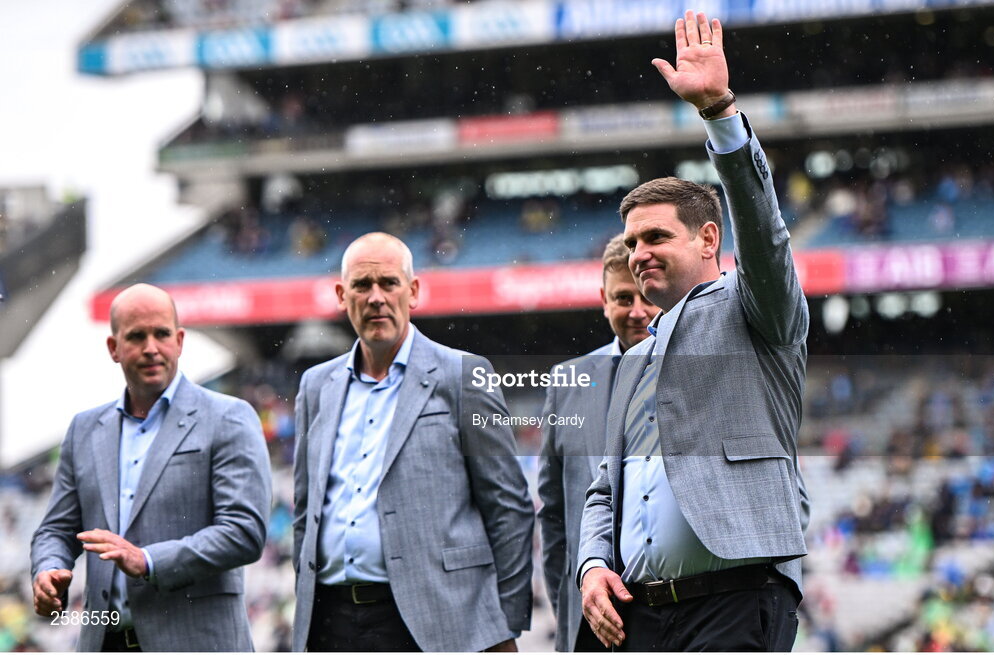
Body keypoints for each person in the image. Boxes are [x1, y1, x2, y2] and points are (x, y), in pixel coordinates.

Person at [577, 11, 811, 652]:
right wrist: (592, 565)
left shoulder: (754, 308)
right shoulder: (633, 353)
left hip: (735, 601)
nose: (639, 252)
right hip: (639, 616)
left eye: (656, 236)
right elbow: (605, 486)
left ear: (708, 239)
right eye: (631, 242)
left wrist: (720, 117)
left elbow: (764, 237)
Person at [291, 232, 534, 652]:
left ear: (414, 291)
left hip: (433, 620)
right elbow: (304, 509)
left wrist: (503, 625)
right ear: (340, 295)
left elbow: (509, 508)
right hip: (331, 621)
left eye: (388, 283)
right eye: (362, 286)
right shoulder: (316, 386)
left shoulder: (462, 376)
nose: (376, 298)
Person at [30, 283, 272, 651]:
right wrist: (48, 569)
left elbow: (244, 532)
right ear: (113, 348)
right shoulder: (84, 429)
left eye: (161, 334)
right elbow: (56, 530)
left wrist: (147, 561)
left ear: (179, 341)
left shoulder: (228, 417)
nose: (150, 348)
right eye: (136, 336)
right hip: (104, 640)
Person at [537, 234, 657, 651]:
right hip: (593, 619)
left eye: (646, 297)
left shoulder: (701, 373)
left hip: (680, 609)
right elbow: (553, 515)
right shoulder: (565, 383)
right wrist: (571, 603)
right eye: (623, 298)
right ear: (603, 300)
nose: (637, 312)